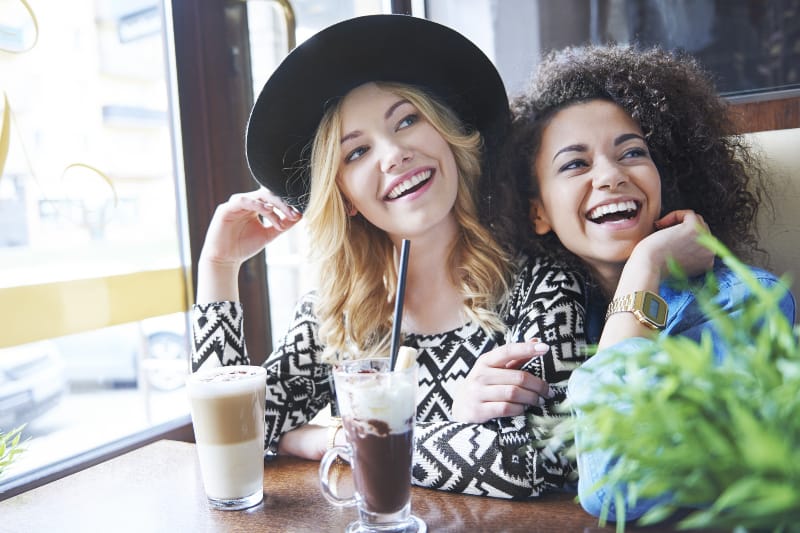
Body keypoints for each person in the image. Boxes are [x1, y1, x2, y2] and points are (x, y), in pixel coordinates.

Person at [191, 15, 588, 499]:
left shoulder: (543, 286)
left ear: (448, 136)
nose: (393, 153)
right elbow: (236, 434)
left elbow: (543, 458)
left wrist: (339, 439)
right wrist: (218, 269)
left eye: (407, 120)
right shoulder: (338, 316)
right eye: (356, 153)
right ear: (346, 198)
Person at [502, 44, 796, 520]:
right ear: (537, 212)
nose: (611, 176)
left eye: (632, 153)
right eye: (575, 164)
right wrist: (469, 409)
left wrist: (647, 262)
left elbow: (621, 485)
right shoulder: (542, 311)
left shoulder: (745, 303)